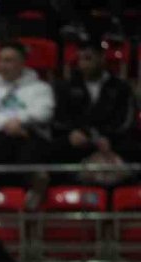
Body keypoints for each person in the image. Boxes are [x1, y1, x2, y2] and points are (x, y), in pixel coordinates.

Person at [0, 41, 54, 211]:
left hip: (27, 140)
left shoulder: (40, 88)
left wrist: (19, 122)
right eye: (1, 60)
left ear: (22, 63)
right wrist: (7, 124)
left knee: (33, 142)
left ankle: (35, 187)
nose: (3, 65)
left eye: (9, 60)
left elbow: (44, 112)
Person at [52, 37, 138, 182]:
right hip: (78, 141)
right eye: (80, 58)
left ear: (102, 58)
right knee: (53, 148)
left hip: (113, 141)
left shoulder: (121, 87)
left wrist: (105, 137)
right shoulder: (65, 87)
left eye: (88, 58)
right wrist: (78, 133)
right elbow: (60, 119)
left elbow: (125, 120)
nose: (83, 63)